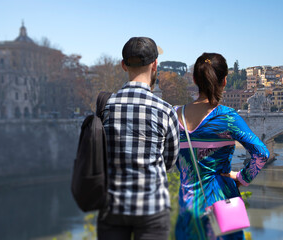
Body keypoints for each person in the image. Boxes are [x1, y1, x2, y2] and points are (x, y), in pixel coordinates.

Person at [175, 53, 270, 239]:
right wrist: (242, 178)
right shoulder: (226, 117)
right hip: (222, 208)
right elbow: (261, 153)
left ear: (194, 79)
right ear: (225, 81)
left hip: (187, 208)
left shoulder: (174, 115)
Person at [98, 37, 180, 240]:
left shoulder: (106, 106)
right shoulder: (165, 110)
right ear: (155, 65)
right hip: (152, 207)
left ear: (123, 65)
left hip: (112, 205)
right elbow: (169, 162)